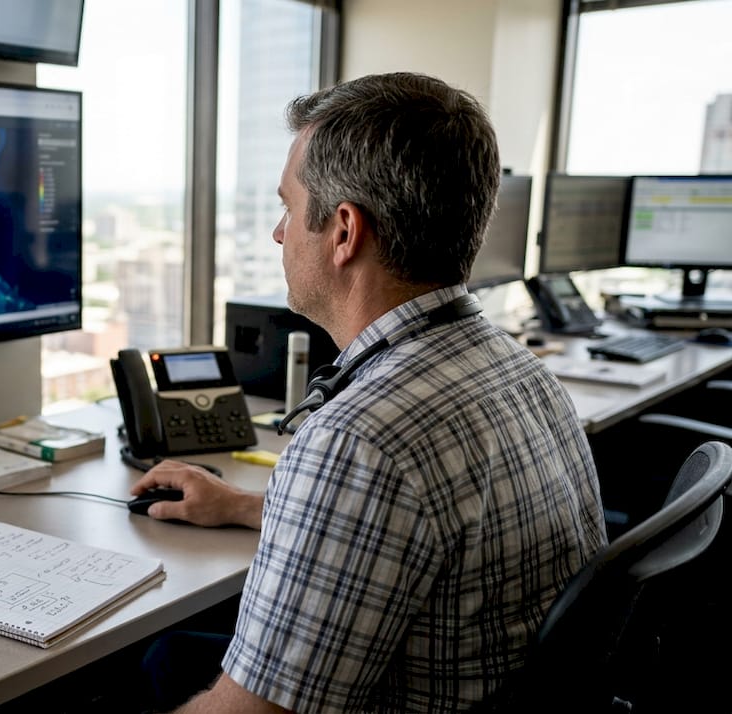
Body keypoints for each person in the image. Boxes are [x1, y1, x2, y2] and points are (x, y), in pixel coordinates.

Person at [130, 72, 607, 712]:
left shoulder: (359, 440)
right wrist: (246, 506)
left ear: (344, 232)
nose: (279, 234)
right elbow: (415, 527)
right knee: (169, 656)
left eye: (288, 209)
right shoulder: (519, 371)